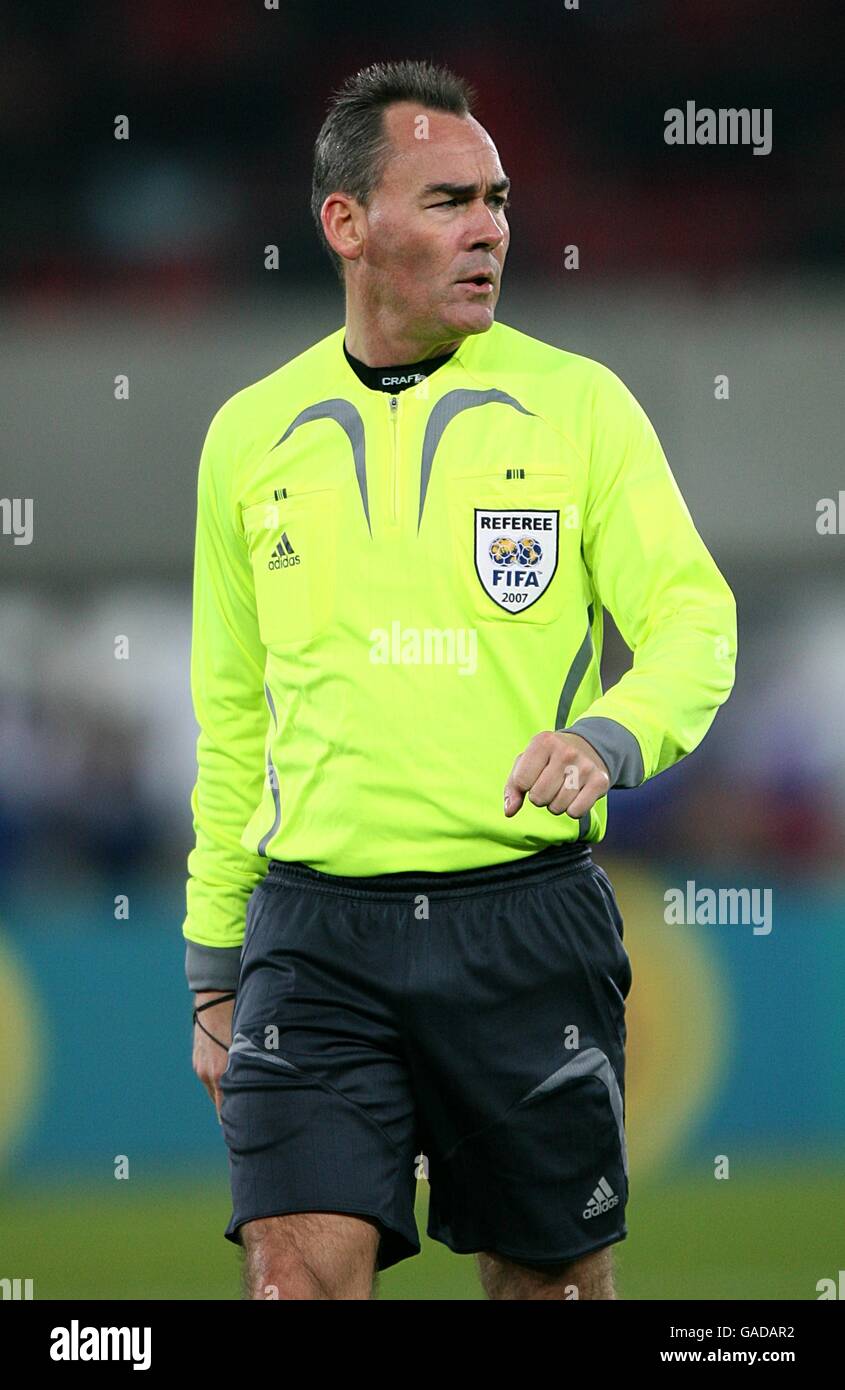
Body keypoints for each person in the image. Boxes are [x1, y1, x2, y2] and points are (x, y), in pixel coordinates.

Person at [184, 59, 737, 1300]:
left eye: (495, 198)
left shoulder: (578, 408)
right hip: (311, 938)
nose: (488, 226)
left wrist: (610, 731)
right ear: (346, 224)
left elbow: (695, 622)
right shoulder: (246, 436)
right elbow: (230, 718)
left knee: (546, 1291)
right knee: (293, 1281)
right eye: (446, 200)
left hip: (524, 925)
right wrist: (214, 962)